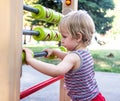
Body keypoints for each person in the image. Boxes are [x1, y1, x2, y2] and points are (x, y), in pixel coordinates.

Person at [23, 10, 106, 101]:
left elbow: (56, 71)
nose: (61, 40)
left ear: (78, 37)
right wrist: (55, 52)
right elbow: (69, 57)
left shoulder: (73, 57)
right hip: (95, 97)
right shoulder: (84, 53)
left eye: (64, 36)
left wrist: (31, 60)